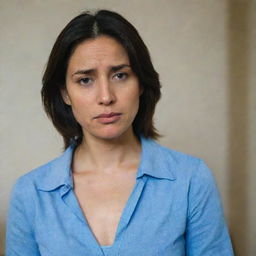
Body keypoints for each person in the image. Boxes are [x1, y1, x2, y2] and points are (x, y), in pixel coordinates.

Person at [6, 9, 234, 256]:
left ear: (141, 84)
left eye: (120, 75)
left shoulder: (190, 179)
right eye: (85, 80)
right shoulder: (31, 192)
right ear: (64, 93)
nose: (106, 97)